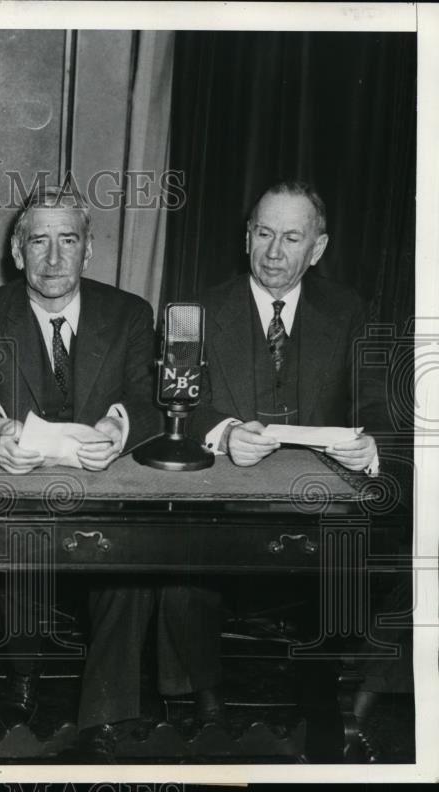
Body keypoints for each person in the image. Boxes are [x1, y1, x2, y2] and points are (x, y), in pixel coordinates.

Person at [167, 179, 391, 726]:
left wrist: (373, 444)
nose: (273, 252)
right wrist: (220, 432)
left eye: (291, 238)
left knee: (377, 552)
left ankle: (333, 704)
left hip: (320, 499)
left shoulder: (350, 311)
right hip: (223, 496)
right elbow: (174, 404)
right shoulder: (194, 308)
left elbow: (377, 401)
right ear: (246, 238)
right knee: (176, 554)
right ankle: (205, 699)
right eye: (263, 233)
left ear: (317, 249)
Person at [0, 185, 162, 762]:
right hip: (23, 489)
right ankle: (21, 676)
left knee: (132, 557)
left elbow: (150, 402)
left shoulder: (129, 314)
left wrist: (119, 431)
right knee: (17, 537)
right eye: (37, 242)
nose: (52, 259)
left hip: (106, 487)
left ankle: (108, 707)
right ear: (17, 253)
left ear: (88, 250)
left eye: (67, 240)